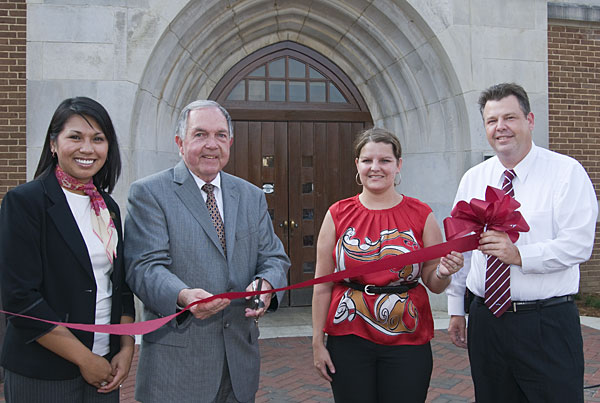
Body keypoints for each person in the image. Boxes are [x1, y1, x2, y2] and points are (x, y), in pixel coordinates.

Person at [124, 100, 290, 403]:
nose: (211, 145)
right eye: (200, 134)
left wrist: (266, 284)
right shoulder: (149, 193)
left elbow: (274, 257)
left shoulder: (251, 196)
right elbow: (144, 267)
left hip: (239, 364)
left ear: (230, 142)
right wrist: (183, 296)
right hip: (177, 369)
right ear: (180, 142)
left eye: (220, 135)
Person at [446, 83, 598, 402]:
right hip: (487, 320)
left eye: (510, 118)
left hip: (546, 323)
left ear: (529, 120)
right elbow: (464, 247)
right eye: (491, 121)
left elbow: (578, 244)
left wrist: (520, 255)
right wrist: (456, 307)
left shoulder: (566, 173)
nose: (500, 127)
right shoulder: (473, 178)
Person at [311, 127, 464, 403]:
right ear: (357, 164)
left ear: (398, 165)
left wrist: (443, 272)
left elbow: (435, 282)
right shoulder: (337, 213)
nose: (375, 168)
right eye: (367, 160)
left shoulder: (421, 214)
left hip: (408, 337)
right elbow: (322, 283)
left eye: (385, 160)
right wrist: (317, 342)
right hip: (348, 336)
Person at [0, 97, 136, 402]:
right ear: (53, 144)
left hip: (105, 367)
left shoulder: (108, 208)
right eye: (75, 137)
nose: (87, 148)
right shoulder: (24, 203)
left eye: (98, 139)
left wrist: (126, 349)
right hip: (44, 372)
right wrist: (84, 359)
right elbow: (19, 299)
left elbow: (121, 288)